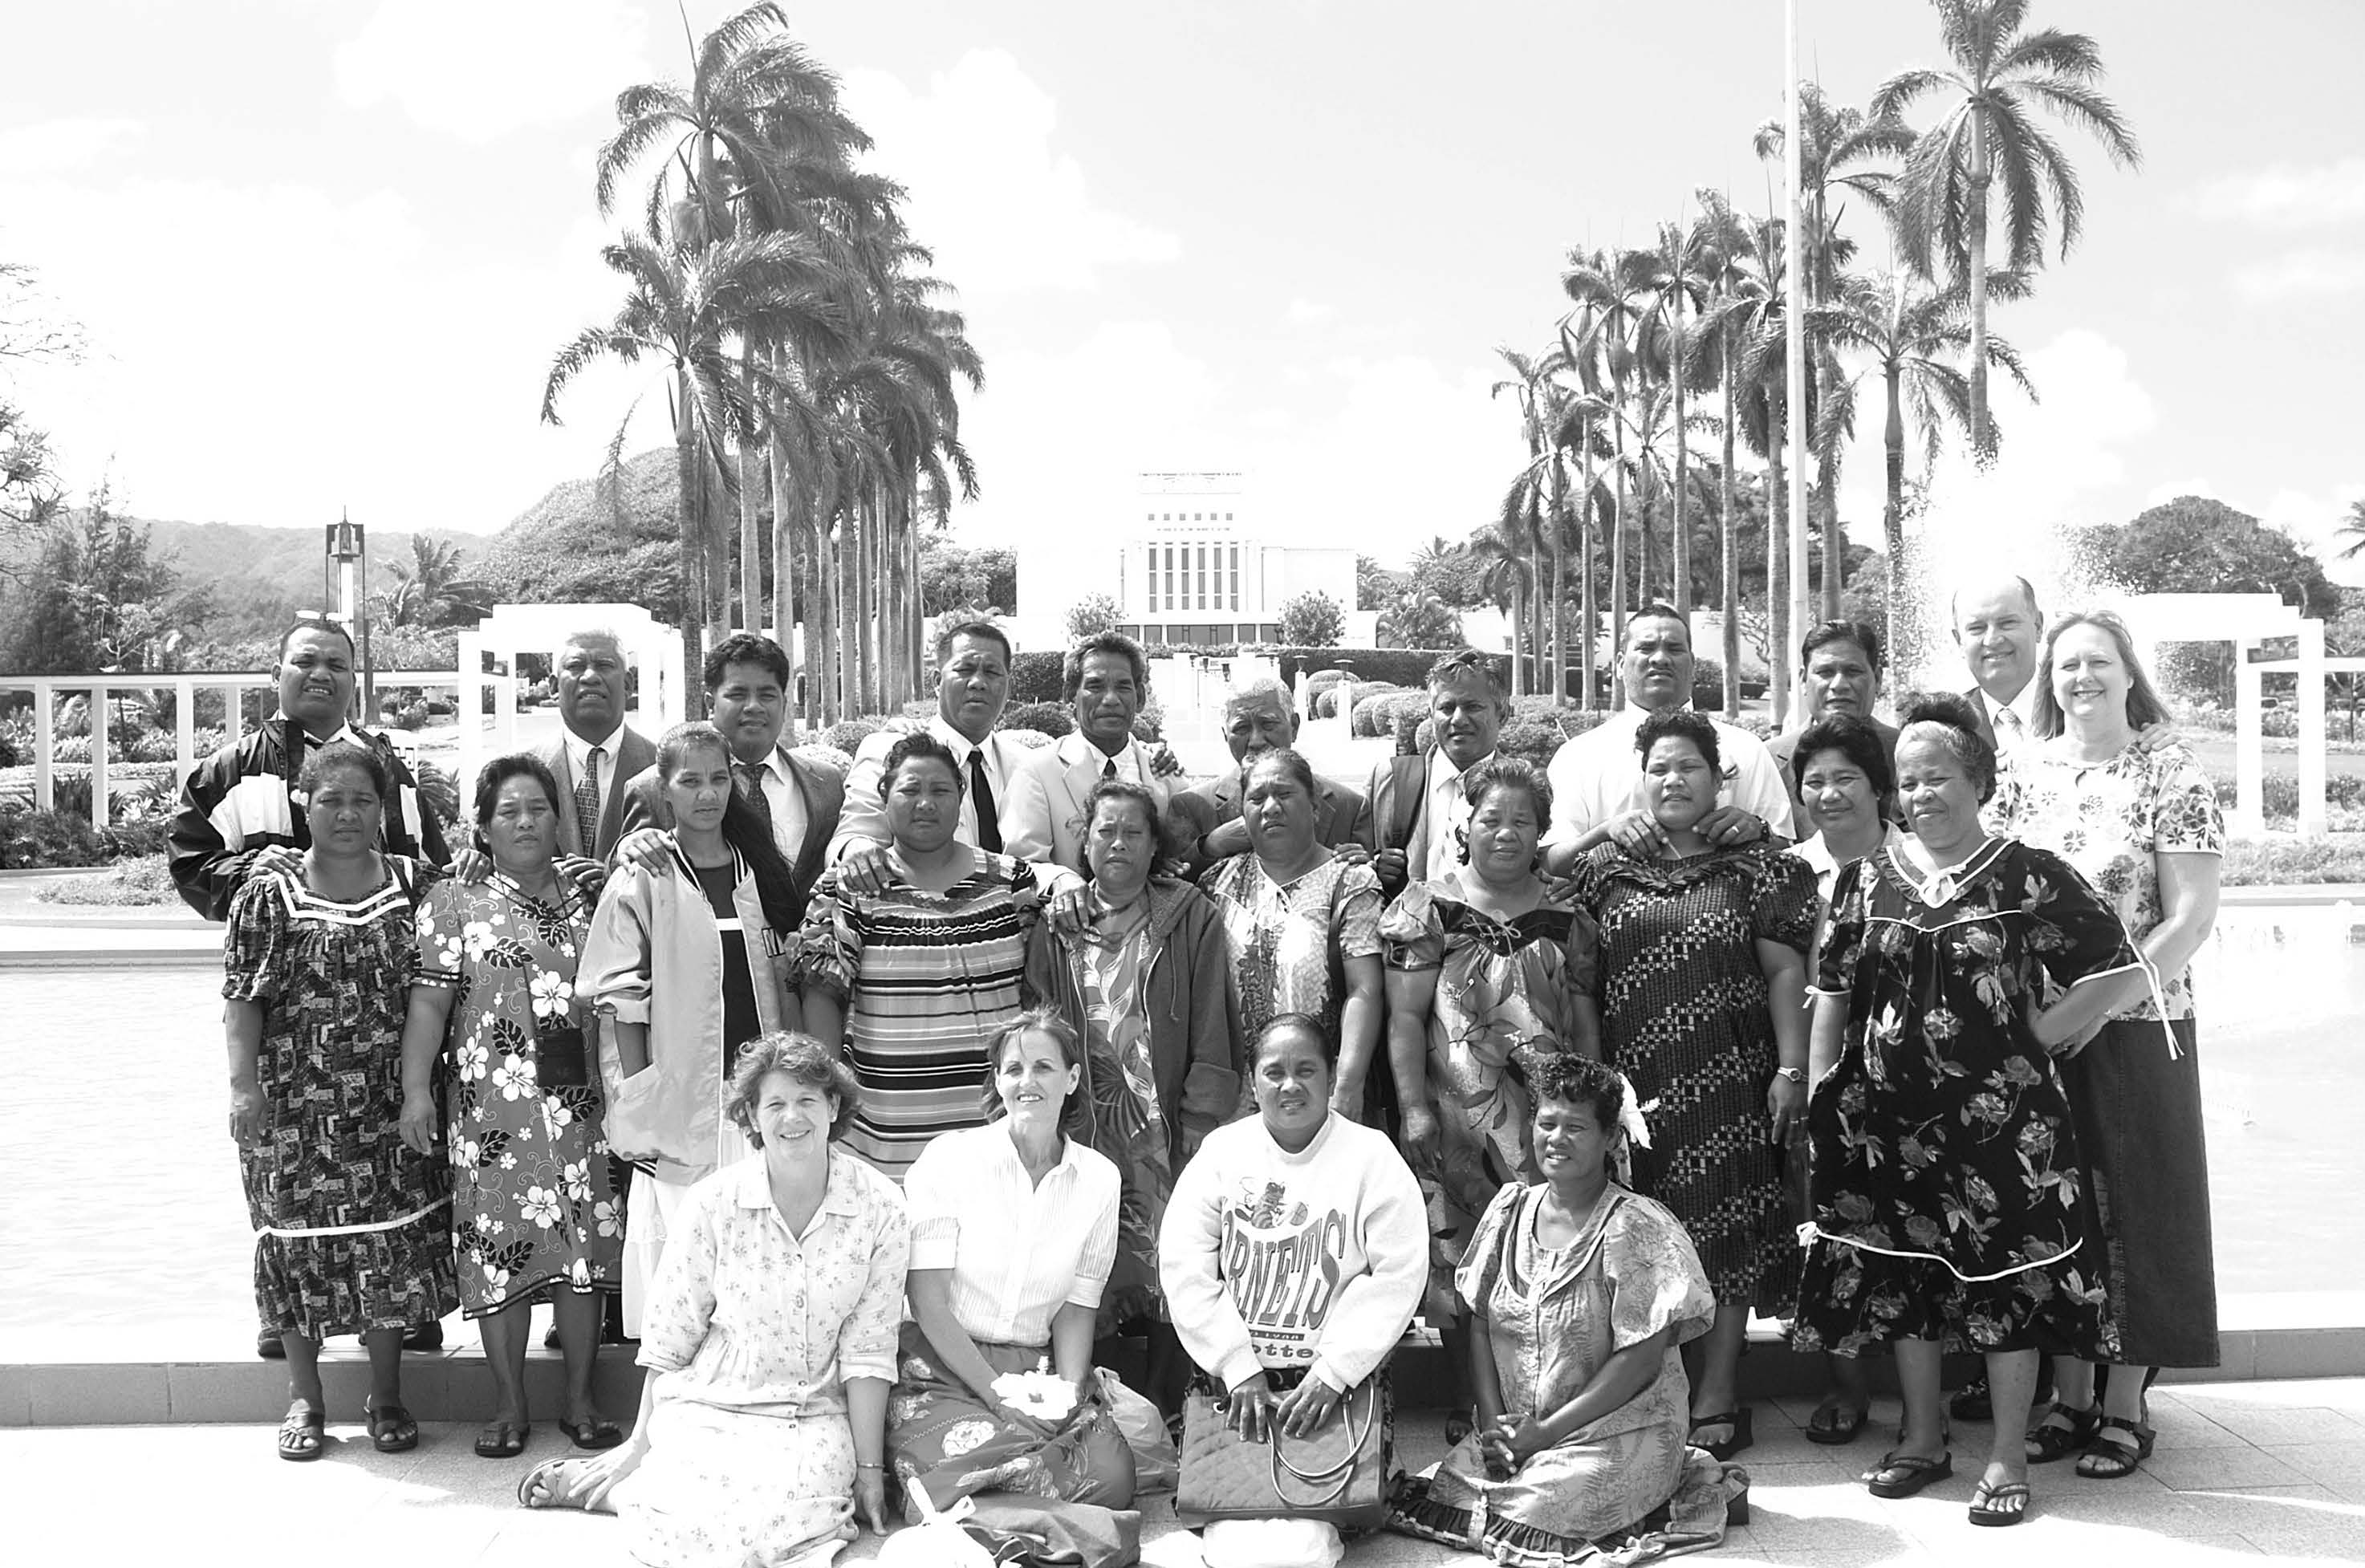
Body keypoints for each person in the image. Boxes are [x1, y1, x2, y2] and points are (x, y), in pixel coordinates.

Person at [1793, 694, 2148, 1528]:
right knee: (1904, 1277)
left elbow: (2121, 964)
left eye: (1939, 777)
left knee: (2004, 1283)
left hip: (2003, 1129)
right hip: (1882, 1128)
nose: (1921, 795)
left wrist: (2045, 1031)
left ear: (1978, 780)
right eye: (1908, 781)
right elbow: (1834, 997)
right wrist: (1820, 1097)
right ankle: (1922, 1439)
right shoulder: (1869, 877)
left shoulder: (2026, 871)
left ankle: (2005, 1453)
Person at [516, 1034, 911, 1568]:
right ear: (750, 1115)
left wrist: (869, 1472)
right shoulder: (713, 1204)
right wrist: (637, 1449)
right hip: (713, 1402)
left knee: (784, 1530)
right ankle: (626, 1491)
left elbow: (868, 1351)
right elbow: (670, 1337)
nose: (791, 1117)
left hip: (812, 1413)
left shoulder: (880, 1208)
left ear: (833, 1106)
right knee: (693, 1524)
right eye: (774, 1103)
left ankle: (631, 1497)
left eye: (807, 1100)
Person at [2001, 611, 2223, 1480]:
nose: (2080, 678)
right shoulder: (2024, 775)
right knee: (2054, 1208)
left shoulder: (2171, 770)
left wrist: (2096, 1005)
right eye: (2065, 666)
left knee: (2137, 1208)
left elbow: (2189, 917)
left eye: (2097, 661)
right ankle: (2070, 1395)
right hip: (2040, 1031)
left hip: (2139, 1026)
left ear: (2128, 673)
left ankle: (2126, 1405)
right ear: (2048, 682)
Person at [1562, 709, 1816, 1463]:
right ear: (1640, 779)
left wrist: (1788, 1070)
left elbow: (1784, 972)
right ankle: (1651, 1385)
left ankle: (1718, 1391)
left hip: (1731, 1076)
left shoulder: (1761, 864)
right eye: (1660, 768)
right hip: (1636, 1090)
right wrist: (1596, 1083)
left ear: (1719, 778)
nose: (1674, 780)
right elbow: (1582, 984)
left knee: (1727, 1228)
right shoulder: (1605, 869)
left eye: (1690, 768)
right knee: (1643, 1238)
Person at [1387, 1057, 1745, 1563]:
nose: (1557, 1139)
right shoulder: (1510, 1211)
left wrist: (1546, 1436)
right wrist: (1493, 1427)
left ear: (1609, 1140)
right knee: (1453, 1490)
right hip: (1522, 1429)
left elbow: (1640, 1362)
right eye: (1547, 1123)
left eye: (1576, 1127)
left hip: (1615, 1431)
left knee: (1542, 1507)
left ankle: (1646, 1480)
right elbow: (1483, 1323)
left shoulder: (1636, 1227)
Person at [222, 741, 458, 1461]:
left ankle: (385, 1394)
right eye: (332, 800)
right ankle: (306, 1395)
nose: (348, 814)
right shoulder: (268, 892)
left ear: (383, 808)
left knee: (388, 1242)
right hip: (292, 1108)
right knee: (295, 1243)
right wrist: (242, 1089)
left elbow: (445, 977)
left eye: (362, 800)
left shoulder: (418, 885)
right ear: (305, 804)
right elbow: (243, 999)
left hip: (396, 1105)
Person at [396, 753, 623, 1459]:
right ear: (483, 828)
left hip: (585, 1107)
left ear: (559, 819)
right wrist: (413, 1092)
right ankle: (509, 1403)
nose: (525, 821)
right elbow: (429, 1006)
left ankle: (581, 1401)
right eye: (508, 812)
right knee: (502, 1253)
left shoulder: (592, 895)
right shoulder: (452, 900)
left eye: (538, 808)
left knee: (583, 1253)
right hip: (493, 1113)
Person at [1378, 756, 1599, 1427]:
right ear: (1464, 824)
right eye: (1490, 818)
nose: (1505, 833)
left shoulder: (1568, 912)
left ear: (1542, 832)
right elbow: (1404, 1018)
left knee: (1548, 1247)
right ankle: (1471, 1395)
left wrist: (1598, 1102)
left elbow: (1584, 1015)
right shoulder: (1426, 908)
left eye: (1522, 821)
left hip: (1550, 1119)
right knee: (1460, 1255)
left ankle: (1538, 1393)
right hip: (1452, 1120)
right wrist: (1413, 1107)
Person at [579, 721, 804, 1336]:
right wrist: (638, 1092)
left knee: (759, 1259)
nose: (707, 795)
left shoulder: (758, 871)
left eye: (718, 779)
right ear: (664, 790)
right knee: (685, 1260)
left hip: (755, 1102)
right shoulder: (644, 874)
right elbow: (618, 998)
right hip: (680, 1105)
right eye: (690, 781)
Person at [1026, 779, 1241, 1415]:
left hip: (1162, 1127)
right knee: (1090, 1262)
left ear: (1155, 846)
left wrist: (1202, 1117)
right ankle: (1104, 1406)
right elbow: (1038, 1022)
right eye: (1105, 831)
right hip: (1086, 1127)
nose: (1117, 843)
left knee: (1176, 1261)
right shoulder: (1057, 923)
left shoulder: (1187, 912)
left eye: (1133, 833)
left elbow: (1211, 1017)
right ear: (1084, 842)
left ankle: (1172, 1404)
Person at [1160, 1014, 1427, 1521]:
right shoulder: (1222, 1152)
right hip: (1235, 1384)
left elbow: (1399, 1273)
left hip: (1333, 1389)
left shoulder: (1372, 1157)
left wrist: (1334, 1372)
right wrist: (1237, 1368)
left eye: (1306, 1070)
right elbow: (1183, 1263)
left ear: (1331, 1076)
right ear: (1252, 1081)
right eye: (1273, 1072)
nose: (1290, 1085)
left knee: (1338, 1515)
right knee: (1227, 1510)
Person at [888, 1010, 1139, 1543]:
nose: (1028, 1082)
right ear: (998, 1081)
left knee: (1113, 1476)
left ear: (1071, 1080)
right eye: (1014, 1068)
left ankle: (977, 1516)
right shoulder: (950, 1160)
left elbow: (1077, 1305)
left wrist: (1069, 1398)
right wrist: (996, 1396)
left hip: (1035, 1371)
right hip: (941, 1365)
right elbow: (928, 1303)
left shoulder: (1098, 1179)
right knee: (962, 1452)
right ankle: (1048, 1521)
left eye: (1044, 1067)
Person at [798, 733, 1071, 1181]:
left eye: (940, 790)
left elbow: (1041, 990)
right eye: (910, 790)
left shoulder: (1011, 885)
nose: (925, 803)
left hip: (995, 1128)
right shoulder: (849, 890)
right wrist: (829, 1092)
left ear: (961, 797)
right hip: (884, 1136)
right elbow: (821, 994)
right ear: (884, 796)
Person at [1781, 713, 1903, 1445]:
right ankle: (1845, 1383)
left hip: (1908, 1076)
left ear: (1879, 788)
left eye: (1845, 778)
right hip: (1821, 1078)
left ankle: (1941, 1387)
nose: (1828, 794)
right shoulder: (1788, 874)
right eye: (1813, 781)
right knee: (1825, 1226)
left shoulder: (1918, 868)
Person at [173, 617, 451, 918]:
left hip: (390, 959)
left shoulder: (389, 769)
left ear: (352, 681)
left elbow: (434, 873)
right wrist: (248, 869)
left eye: (336, 665)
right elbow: (191, 865)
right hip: (279, 957)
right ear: (276, 675)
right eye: (305, 662)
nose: (320, 674)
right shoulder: (227, 772)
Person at [1198, 748, 1391, 1127]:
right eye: (1256, 798)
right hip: (1240, 1104)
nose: (1270, 807)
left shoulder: (1350, 881)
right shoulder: (1216, 884)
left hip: (1325, 1096)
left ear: (1316, 808)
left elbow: (1364, 989)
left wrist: (1348, 1086)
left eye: (1284, 794)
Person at [1542, 605, 1794, 874]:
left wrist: (1757, 830)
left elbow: (1787, 850)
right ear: (1619, 664)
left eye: (1674, 649)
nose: (1660, 658)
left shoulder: (1746, 748)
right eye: (1646, 648)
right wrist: (1606, 833)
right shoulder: (1577, 757)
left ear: (1693, 664)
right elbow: (1550, 863)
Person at [616, 633, 842, 900]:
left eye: (767, 695)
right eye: (738, 694)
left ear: (784, 702)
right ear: (711, 704)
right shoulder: (653, 787)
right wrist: (628, 848)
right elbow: (622, 873)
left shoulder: (827, 784)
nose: (754, 707)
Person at [831, 619, 1030, 864]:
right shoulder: (888, 751)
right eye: (965, 670)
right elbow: (857, 831)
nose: (978, 682)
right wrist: (857, 851)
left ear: (1008, 688)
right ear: (937, 682)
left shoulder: (1027, 765)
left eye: (992, 672)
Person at [1002, 631, 1175, 874]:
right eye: (1095, 686)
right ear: (1069, 698)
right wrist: (1064, 883)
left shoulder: (1166, 774)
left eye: (1123, 686)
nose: (1111, 699)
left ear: (1140, 698)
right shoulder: (1037, 772)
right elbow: (1023, 864)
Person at [1168, 677, 1370, 880]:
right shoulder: (1190, 806)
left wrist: (1364, 865)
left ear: (1294, 726)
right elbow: (1166, 892)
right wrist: (1210, 847)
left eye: (1268, 724)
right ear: (1225, 735)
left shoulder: (1350, 806)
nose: (1256, 741)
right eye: (1241, 728)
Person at [1358, 649, 1509, 900]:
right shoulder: (1390, 779)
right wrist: (1373, 865)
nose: (1458, 719)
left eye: (1473, 707)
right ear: (1431, 715)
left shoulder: (1525, 788)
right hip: (1403, 932)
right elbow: (1351, 866)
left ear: (1502, 714)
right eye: (1447, 708)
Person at [534, 628, 658, 863]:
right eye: (576, 666)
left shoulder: (663, 769)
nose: (590, 676)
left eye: (604, 665)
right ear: (553, 687)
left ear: (628, 684)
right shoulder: (518, 769)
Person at [1766, 620, 1901, 820]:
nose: (1839, 685)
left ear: (1878, 678)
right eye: (1825, 673)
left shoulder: (1905, 752)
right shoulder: (1769, 760)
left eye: (1853, 672)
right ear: (1803, 681)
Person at [1952, 573, 2046, 758]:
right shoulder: (1948, 728)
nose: (1993, 640)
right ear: (1959, 641)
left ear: (2039, 626)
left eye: (2007, 623)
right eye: (1977, 628)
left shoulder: (2085, 705)